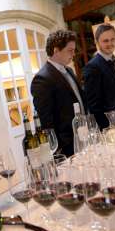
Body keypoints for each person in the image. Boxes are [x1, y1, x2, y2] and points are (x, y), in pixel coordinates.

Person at [30, 29, 85, 157]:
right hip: (65, 146)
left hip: (82, 136)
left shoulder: (69, 70)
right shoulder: (42, 79)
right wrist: (58, 150)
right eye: (70, 50)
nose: (73, 54)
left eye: (74, 50)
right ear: (56, 50)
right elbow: (46, 122)